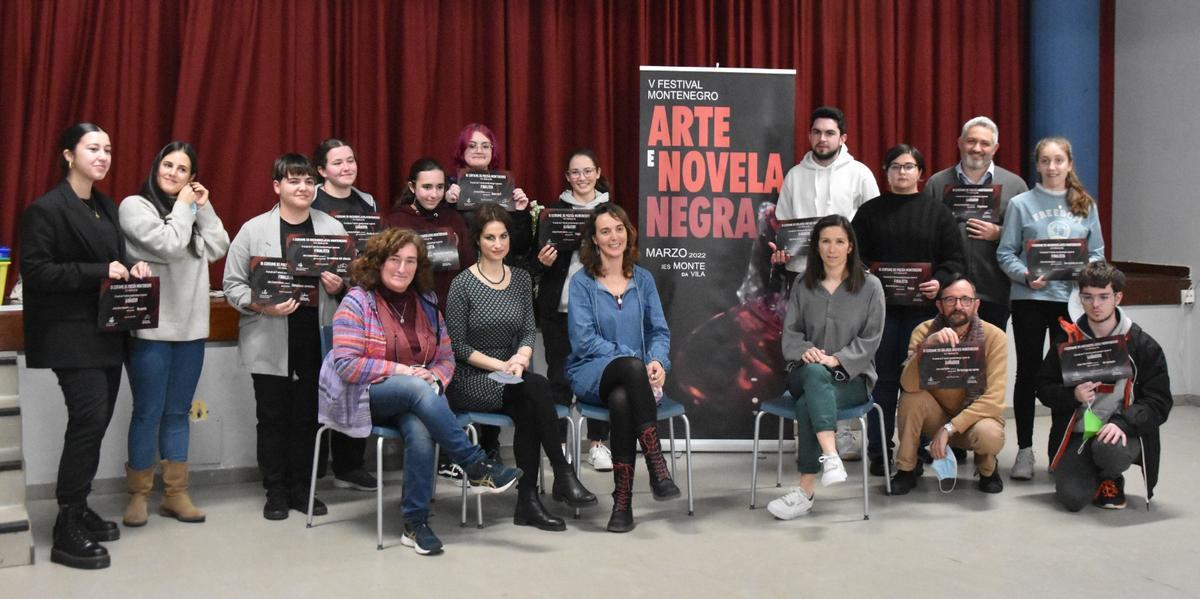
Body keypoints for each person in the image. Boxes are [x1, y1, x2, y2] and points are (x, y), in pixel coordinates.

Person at [319, 227, 521, 555]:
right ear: (378, 262)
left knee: (420, 427)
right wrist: (402, 372)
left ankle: (415, 523)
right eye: (395, 259)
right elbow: (346, 365)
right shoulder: (357, 301)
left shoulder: (426, 302)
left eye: (410, 261)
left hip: (418, 399)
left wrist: (436, 381)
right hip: (365, 395)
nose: (402, 268)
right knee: (416, 389)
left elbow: (444, 356)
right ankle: (474, 464)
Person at [20, 123, 151, 569]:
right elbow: (37, 272)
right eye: (92, 148)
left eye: (108, 149)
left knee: (94, 423)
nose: (102, 156)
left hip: (105, 332)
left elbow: (114, 257)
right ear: (68, 155)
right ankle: (65, 524)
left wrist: (133, 267)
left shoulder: (104, 205)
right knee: (88, 419)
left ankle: (79, 507)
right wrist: (100, 271)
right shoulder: (46, 209)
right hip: (67, 335)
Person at [445, 204, 597, 531]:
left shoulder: (520, 279)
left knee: (531, 400)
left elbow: (529, 329)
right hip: (472, 377)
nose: (498, 244)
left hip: (512, 374)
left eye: (502, 236)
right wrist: (503, 364)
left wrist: (521, 358)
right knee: (536, 388)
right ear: (478, 241)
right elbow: (457, 346)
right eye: (490, 238)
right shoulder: (462, 284)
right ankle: (560, 473)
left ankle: (528, 501)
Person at [222, 154, 348, 520]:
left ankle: (303, 488)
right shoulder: (253, 229)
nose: (303, 188)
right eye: (294, 181)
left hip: (316, 336)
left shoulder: (332, 229)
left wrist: (340, 285)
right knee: (273, 417)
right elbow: (232, 285)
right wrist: (262, 305)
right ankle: (275, 491)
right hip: (269, 334)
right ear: (277, 186)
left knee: (309, 417)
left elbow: (354, 284)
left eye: (309, 181)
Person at [118, 141, 229, 527]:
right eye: (168, 165)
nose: (173, 173)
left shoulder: (192, 210)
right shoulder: (135, 206)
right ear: (156, 166)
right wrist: (187, 208)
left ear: (192, 178)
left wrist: (204, 205)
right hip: (150, 330)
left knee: (177, 413)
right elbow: (169, 244)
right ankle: (138, 494)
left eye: (183, 170)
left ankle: (176, 493)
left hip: (191, 330)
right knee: (147, 412)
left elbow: (219, 245)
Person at [770, 106, 880, 458]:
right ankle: (825, 436)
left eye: (829, 133)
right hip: (805, 277)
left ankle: (838, 436)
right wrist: (783, 253)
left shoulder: (860, 174)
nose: (822, 139)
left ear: (842, 138)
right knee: (811, 352)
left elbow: (872, 223)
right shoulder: (795, 176)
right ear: (810, 136)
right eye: (816, 132)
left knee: (840, 350)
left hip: (850, 282)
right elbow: (783, 224)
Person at [565, 203, 679, 533]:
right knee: (628, 369)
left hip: (636, 382)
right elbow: (584, 341)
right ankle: (657, 465)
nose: (614, 237)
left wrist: (658, 362)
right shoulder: (582, 283)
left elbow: (659, 331)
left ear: (628, 233)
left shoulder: (643, 280)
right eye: (605, 231)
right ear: (594, 240)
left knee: (622, 400)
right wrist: (637, 362)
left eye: (619, 229)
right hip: (590, 373)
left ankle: (623, 503)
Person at [851, 144, 965, 476]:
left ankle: (919, 449)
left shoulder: (938, 213)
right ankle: (878, 451)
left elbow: (956, 260)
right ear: (885, 172)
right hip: (881, 314)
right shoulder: (870, 212)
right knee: (882, 381)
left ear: (921, 173)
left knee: (920, 384)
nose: (902, 172)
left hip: (924, 314)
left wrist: (940, 283)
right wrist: (868, 277)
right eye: (896, 166)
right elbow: (854, 259)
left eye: (909, 166)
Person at [996, 136, 1105, 480]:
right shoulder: (1020, 203)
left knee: (1066, 376)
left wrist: (1084, 275)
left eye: (1059, 160)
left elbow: (1098, 253)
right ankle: (1025, 451)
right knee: (1027, 373)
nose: (1052, 167)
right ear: (1037, 164)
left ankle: (1060, 449)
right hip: (1030, 300)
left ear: (1069, 164)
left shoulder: (1085, 204)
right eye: (1046, 160)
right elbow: (1005, 253)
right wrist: (1026, 276)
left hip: (1069, 304)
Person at [765, 215, 885, 520]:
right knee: (815, 375)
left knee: (808, 402)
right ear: (817, 246)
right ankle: (831, 455)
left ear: (850, 247)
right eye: (825, 241)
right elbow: (791, 333)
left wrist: (838, 359)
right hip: (804, 371)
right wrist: (808, 352)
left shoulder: (870, 286)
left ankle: (805, 490)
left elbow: (872, 337)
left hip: (851, 378)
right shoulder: (804, 285)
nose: (832, 248)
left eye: (839, 241)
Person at [1037, 262, 1171, 511]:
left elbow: (1160, 402)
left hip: (1120, 432)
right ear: (1080, 298)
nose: (1095, 305)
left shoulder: (1142, 345)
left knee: (1109, 450)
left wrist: (1123, 422)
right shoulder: (1067, 341)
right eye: (1087, 297)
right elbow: (1043, 389)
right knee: (1072, 499)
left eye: (1103, 297)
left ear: (1118, 297)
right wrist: (1072, 395)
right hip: (1079, 433)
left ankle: (1111, 477)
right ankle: (1091, 475)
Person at [888, 276, 1008, 495]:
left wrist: (950, 428)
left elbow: (994, 399)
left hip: (975, 421)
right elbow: (908, 384)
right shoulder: (923, 331)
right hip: (937, 415)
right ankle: (906, 469)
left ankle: (988, 469)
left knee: (989, 435)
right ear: (939, 305)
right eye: (950, 300)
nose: (958, 306)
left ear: (976, 304)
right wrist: (928, 346)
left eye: (965, 300)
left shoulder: (995, 337)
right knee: (911, 398)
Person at [535, 148, 613, 471]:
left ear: (597, 173)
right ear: (567, 177)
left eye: (587, 171)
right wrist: (544, 262)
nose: (581, 178)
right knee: (559, 377)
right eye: (575, 173)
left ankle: (597, 445)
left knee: (600, 377)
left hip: (602, 308)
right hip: (560, 307)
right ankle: (562, 447)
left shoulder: (611, 212)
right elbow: (537, 258)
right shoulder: (553, 212)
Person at [310, 138, 378, 493]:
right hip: (319, 304)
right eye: (337, 163)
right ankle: (315, 464)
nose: (347, 167)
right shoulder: (312, 200)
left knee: (355, 380)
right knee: (323, 382)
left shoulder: (367, 202)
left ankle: (350, 465)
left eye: (350, 160)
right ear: (321, 170)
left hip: (359, 302)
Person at [925, 116, 1029, 329]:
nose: (977, 148)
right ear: (960, 143)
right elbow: (924, 235)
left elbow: (1028, 237)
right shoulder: (937, 183)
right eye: (971, 141)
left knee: (989, 357)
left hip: (994, 290)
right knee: (947, 357)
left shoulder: (1015, 185)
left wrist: (999, 233)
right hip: (948, 291)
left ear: (995, 148)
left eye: (984, 143)